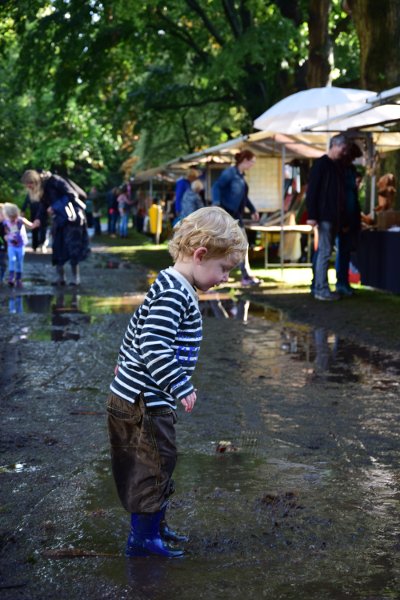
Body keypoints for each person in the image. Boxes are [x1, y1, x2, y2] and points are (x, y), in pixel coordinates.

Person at [107, 206, 247, 558]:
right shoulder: (175, 293)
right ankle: (143, 540)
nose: (226, 277)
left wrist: (124, 360)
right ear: (200, 255)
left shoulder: (170, 282)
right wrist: (180, 385)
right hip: (146, 403)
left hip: (142, 396)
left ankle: (156, 526)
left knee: (161, 461)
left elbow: (137, 326)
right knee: (153, 463)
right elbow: (153, 342)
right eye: (224, 268)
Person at [21, 169, 90, 286]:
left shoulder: (54, 181)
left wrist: (55, 206)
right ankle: (61, 278)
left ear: (35, 180)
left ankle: (75, 279)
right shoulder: (42, 190)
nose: (29, 186)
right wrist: (38, 219)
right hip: (59, 220)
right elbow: (43, 205)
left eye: (30, 183)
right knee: (57, 247)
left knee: (73, 248)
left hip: (73, 219)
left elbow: (72, 194)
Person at [306, 134, 348, 301]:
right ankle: (320, 288)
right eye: (343, 149)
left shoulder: (335, 166)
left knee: (325, 252)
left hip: (331, 216)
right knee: (324, 253)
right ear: (335, 145)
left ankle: (320, 287)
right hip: (324, 217)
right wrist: (312, 215)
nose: (344, 152)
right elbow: (312, 191)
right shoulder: (322, 165)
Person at [211, 149, 260, 286]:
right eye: (252, 162)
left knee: (241, 245)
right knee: (225, 246)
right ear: (245, 161)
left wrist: (252, 210)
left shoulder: (240, 176)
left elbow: (243, 197)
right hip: (227, 213)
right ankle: (214, 275)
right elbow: (216, 187)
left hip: (236, 215)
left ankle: (245, 276)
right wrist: (217, 205)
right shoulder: (230, 173)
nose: (253, 165)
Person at [335, 142, 363, 297]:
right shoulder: (344, 172)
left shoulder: (347, 171)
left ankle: (343, 282)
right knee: (343, 251)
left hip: (350, 217)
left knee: (345, 251)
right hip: (346, 218)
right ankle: (341, 282)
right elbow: (344, 198)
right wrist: (345, 220)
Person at [3, 202, 34, 288]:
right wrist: (5, 236)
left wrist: (35, 224)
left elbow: (30, 225)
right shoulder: (6, 222)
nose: (12, 219)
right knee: (12, 260)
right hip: (11, 245)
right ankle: (11, 277)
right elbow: (5, 231)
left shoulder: (20, 220)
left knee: (19, 262)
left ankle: (19, 278)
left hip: (20, 245)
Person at [0, 204, 8, 284]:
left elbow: (15, 232)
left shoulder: (6, 224)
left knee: (2, 262)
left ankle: (1, 278)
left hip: (3, 247)